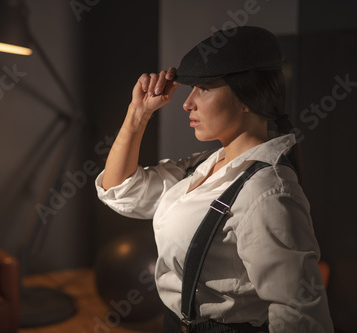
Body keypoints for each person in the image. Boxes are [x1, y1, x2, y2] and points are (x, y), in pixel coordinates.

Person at [95, 26, 333, 333]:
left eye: (203, 89)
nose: (187, 103)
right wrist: (137, 113)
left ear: (248, 97)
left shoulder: (268, 192)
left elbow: (299, 315)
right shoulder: (204, 166)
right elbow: (120, 190)